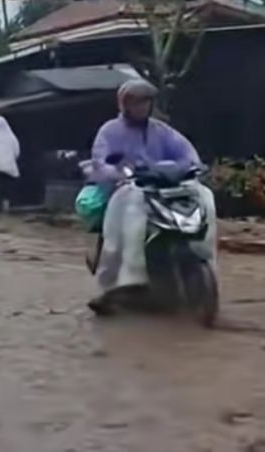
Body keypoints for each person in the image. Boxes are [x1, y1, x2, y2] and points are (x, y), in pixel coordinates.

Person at [87, 79, 217, 314]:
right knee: (119, 232)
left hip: (162, 189)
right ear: (125, 104)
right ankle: (110, 286)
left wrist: (194, 167)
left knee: (204, 194)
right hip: (125, 187)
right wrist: (117, 173)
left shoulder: (161, 130)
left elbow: (186, 152)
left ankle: (203, 251)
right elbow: (101, 160)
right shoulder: (110, 131)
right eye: (136, 102)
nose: (142, 107)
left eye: (146, 101)